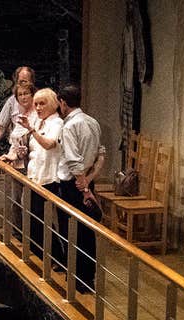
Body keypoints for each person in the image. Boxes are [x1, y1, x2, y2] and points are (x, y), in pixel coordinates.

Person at [52, 83, 106, 287]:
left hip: (72, 185)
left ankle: (77, 278)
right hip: (86, 181)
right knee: (87, 231)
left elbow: (73, 161)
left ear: (63, 103)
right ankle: (88, 277)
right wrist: (88, 181)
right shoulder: (93, 122)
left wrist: (83, 187)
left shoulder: (69, 126)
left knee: (71, 231)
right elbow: (101, 155)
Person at [22, 87, 63, 259]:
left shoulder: (57, 123)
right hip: (34, 177)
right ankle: (41, 256)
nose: (38, 108)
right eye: (36, 104)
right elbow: (36, 150)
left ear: (53, 104)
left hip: (49, 178)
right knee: (33, 220)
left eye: (42, 104)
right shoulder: (40, 123)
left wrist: (31, 130)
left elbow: (48, 144)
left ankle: (57, 257)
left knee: (45, 220)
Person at [0, 84, 35, 240]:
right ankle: (18, 235)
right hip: (17, 166)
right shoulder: (19, 116)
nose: (23, 97)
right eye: (20, 95)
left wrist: (20, 155)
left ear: (32, 95)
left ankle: (31, 238)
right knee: (15, 201)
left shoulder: (37, 116)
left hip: (31, 166)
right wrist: (10, 155)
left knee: (29, 204)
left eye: (26, 93)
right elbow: (15, 143)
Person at [0, 66, 34, 162]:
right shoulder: (12, 101)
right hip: (16, 153)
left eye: (25, 81)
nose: (23, 97)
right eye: (20, 81)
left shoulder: (39, 99)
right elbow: (1, 126)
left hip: (34, 153)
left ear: (32, 82)